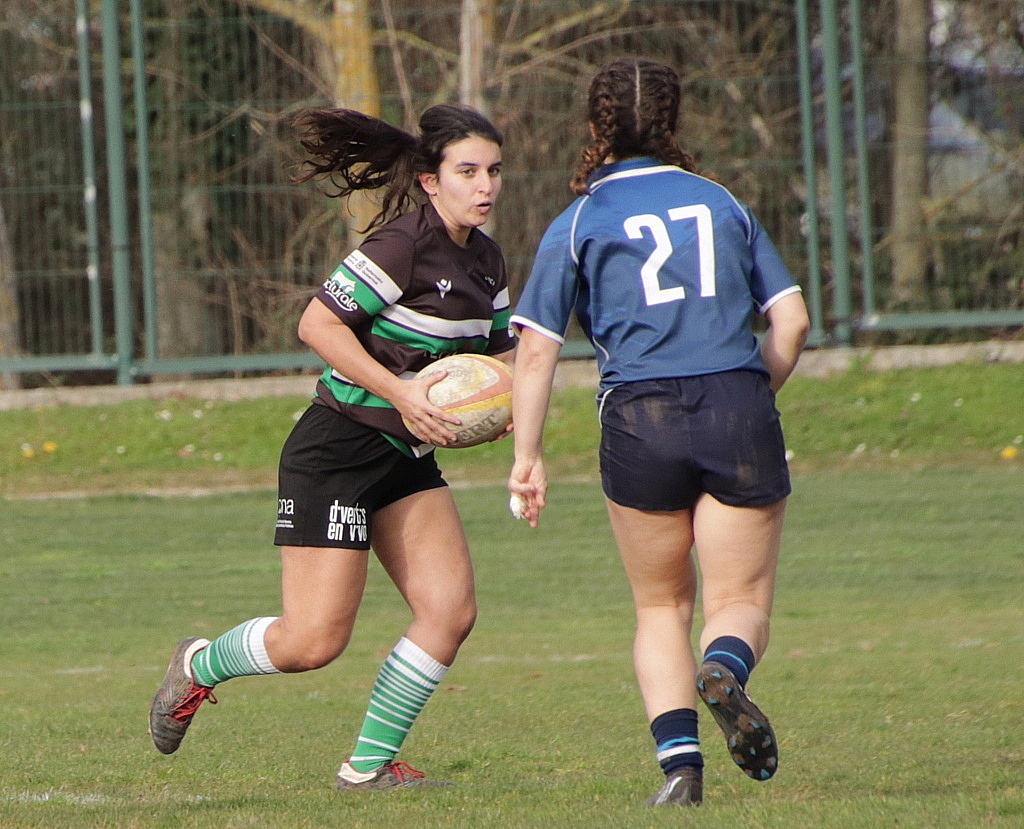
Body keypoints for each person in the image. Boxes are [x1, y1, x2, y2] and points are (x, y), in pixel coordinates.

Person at [149, 103, 516, 789]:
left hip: (404, 461)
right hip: (338, 450)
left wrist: (507, 426)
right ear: (431, 180)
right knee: (312, 641)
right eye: (467, 171)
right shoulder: (401, 245)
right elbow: (317, 324)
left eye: (493, 170)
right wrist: (404, 394)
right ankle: (198, 664)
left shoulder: (489, 262)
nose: (485, 185)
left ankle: (367, 768)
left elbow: (501, 369)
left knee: (449, 612)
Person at [508, 58, 810, 807]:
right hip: (735, 400)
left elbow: (538, 349)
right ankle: (727, 670)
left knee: (659, 607)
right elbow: (793, 320)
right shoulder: (721, 201)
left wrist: (527, 456)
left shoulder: (578, 219)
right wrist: (745, 393)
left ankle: (681, 770)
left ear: (594, 127)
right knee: (737, 595)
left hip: (639, 417)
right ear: (674, 124)